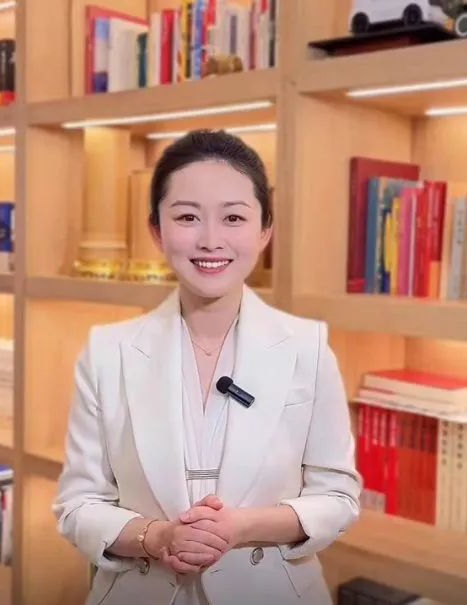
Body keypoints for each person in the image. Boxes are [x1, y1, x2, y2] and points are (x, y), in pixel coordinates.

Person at [52, 129, 362, 605]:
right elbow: (77, 505)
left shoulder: (308, 347)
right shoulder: (106, 351)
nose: (211, 240)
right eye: (187, 217)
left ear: (265, 231)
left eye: (233, 217)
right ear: (157, 230)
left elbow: (338, 497)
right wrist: (156, 537)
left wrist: (241, 527)